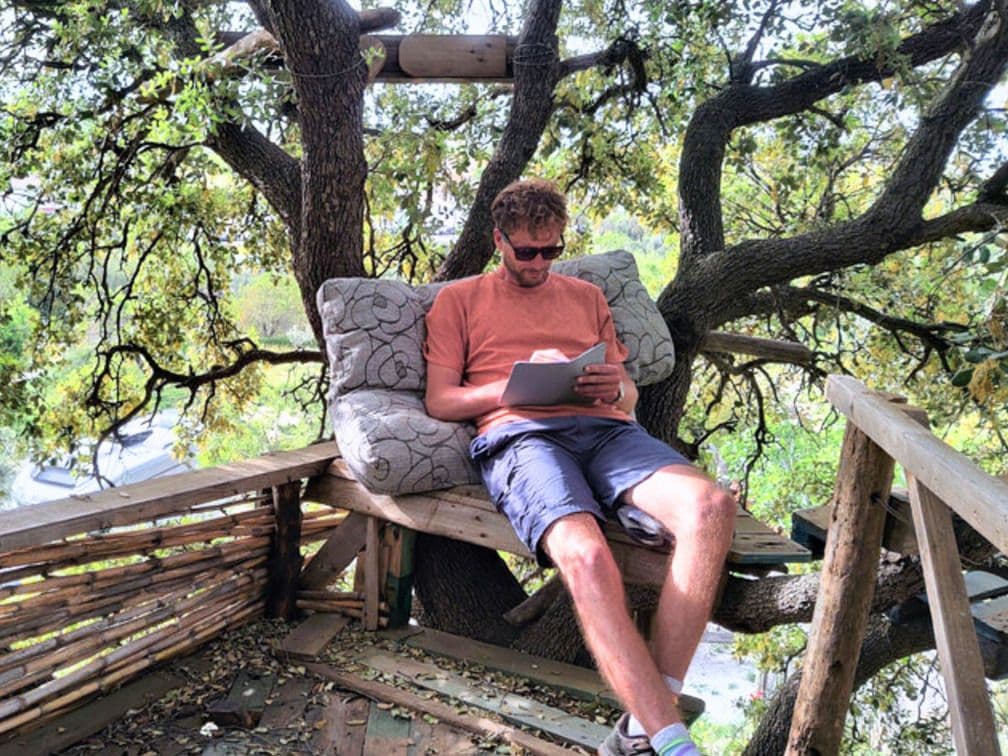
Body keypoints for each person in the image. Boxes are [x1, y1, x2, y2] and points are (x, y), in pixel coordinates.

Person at [423, 178, 735, 756]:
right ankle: (670, 742)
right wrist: (510, 391)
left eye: (552, 250)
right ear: (499, 241)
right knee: (586, 555)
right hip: (520, 436)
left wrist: (613, 385)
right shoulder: (458, 301)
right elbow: (442, 401)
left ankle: (645, 720)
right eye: (527, 251)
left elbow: (628, 396)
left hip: (606, 429)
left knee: (712, 508)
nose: (540, 263)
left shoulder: (587, 298)